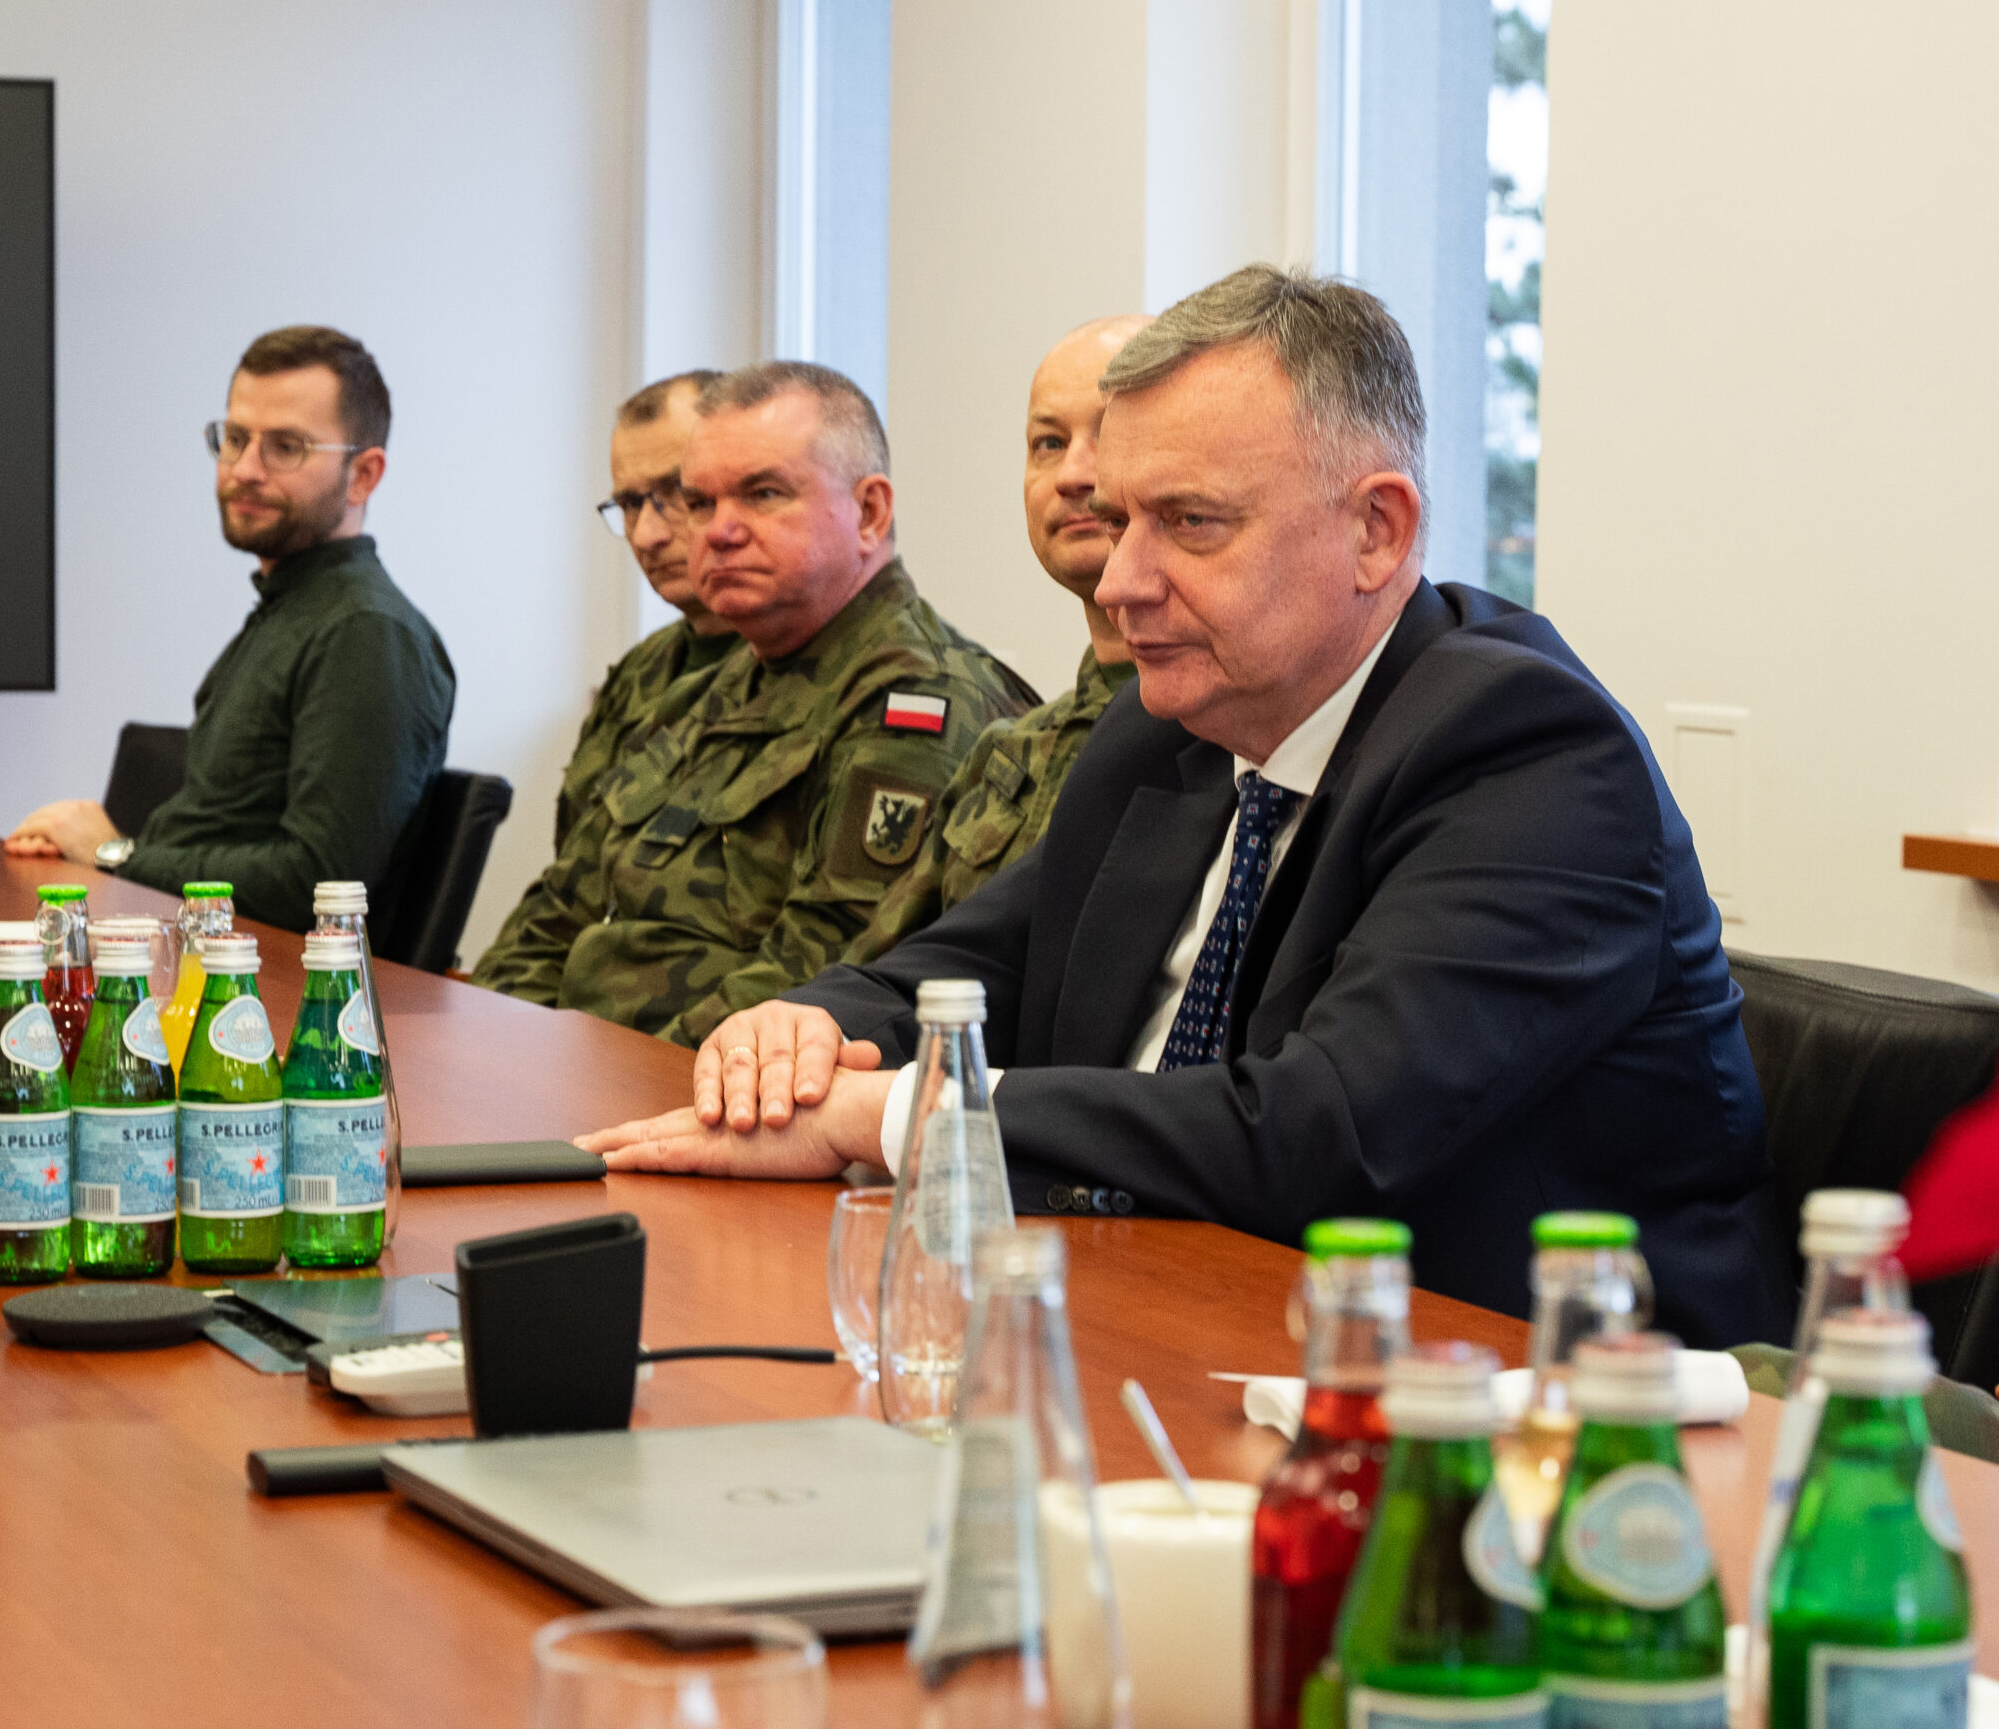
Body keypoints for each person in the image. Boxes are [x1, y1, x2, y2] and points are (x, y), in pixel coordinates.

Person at [578, 268, 1785, 1347]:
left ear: (1376, 529)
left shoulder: (1528, 754)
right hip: (1162, 1309)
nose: (1121, 579)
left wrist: (884, 1113)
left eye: (1190, 523)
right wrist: (800, 1030)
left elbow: (1319, 1131)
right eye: (1122, 520)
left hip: (1531, 1398)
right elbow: (970, 967)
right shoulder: (1172, 724)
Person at [472, 360, 1037, 1046]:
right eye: (700, 502)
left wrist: (602, 1074)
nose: (717, 531)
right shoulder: (700, 691)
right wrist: (487, 1039)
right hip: (577, 1069)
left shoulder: (919, 705)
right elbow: (561, 909)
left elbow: (819, 981)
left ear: (869, 512)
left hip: (699, 1086)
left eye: (762, 494)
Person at [5, 326, 454, 930]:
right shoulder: (291, 610)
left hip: (255, 977)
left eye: (286, 447)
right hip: (183, 942)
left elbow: (320, 883)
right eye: (236, 439)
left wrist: (116, 855)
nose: (244, 469)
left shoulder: (366, 634)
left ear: (364, 475)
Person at [839, 314, 1148, 965]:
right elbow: (889, 969)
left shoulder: (1234, 747)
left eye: (1112, 433)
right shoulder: (1011, 755)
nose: (1072, 474)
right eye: (1048, 443)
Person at [551, 371, 735, 850]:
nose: (647, 535)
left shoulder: (790, 668)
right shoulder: (636, 674)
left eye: (675, 492)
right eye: (630, 504)